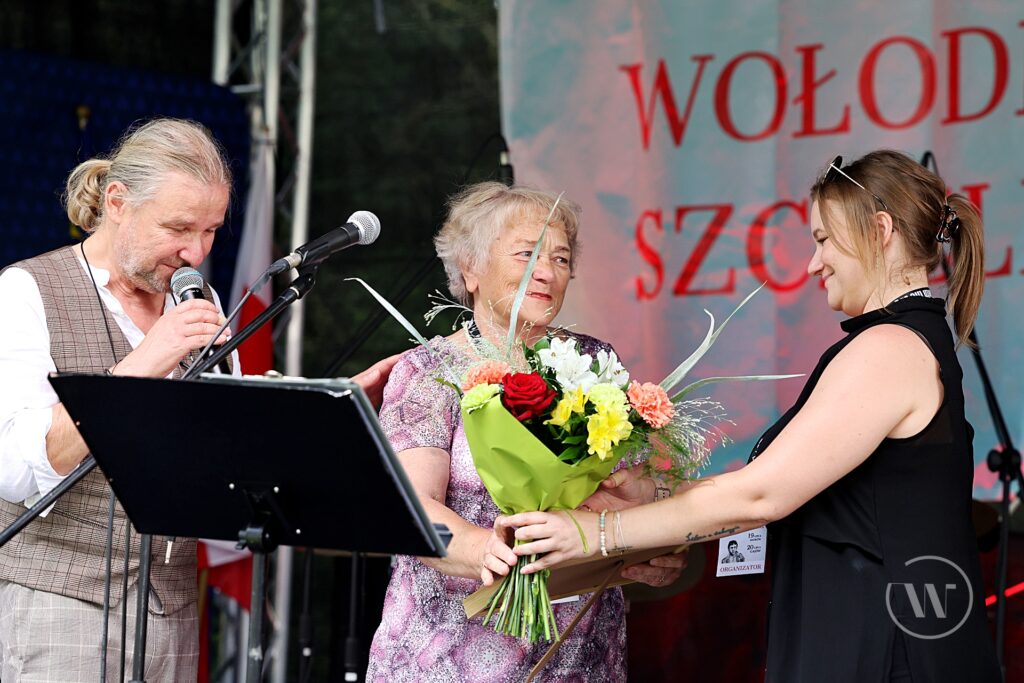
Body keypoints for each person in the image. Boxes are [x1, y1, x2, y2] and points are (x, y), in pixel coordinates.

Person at [499, 151, 1002, 682]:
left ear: (879, 231)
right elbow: (779, 486)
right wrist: (657, 498)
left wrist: (597, 533)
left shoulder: (889, 349)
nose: (814, 264)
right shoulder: (901, 341)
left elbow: (760, 495)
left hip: (890, 652)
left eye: (823, 240)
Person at [0, 118, 400, 682]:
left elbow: (228, 452)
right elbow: (13, 471)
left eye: (210, 230)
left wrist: (327, 409)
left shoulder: (198, 299)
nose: (195, 251)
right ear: (117, 203)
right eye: (179, 228)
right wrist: (147, 359)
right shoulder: (25, 291)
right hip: (60, 606)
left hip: (173, 612)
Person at [364, 182, 684, 683]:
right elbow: (410, 508)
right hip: (448, 656)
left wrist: (654, 544)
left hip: (578, 654)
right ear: (469, 269)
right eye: (526, 254)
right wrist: (481, 548)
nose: (547, 272)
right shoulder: (429, 370)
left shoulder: (596, 363)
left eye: (560, 258)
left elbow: (634, 489)